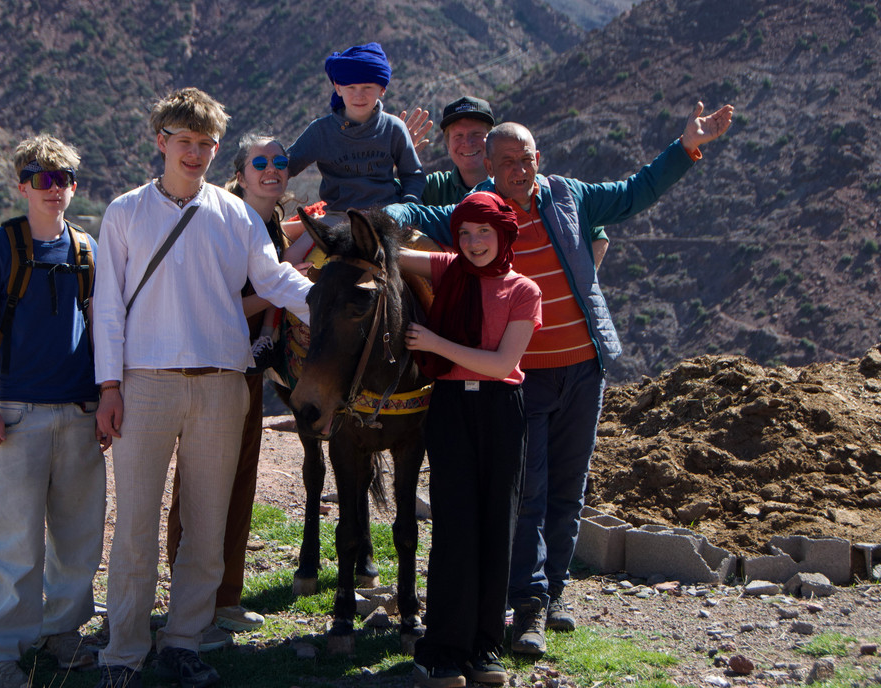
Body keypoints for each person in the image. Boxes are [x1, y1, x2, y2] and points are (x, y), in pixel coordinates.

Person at [385, 101, 734, 656]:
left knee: (567, 493)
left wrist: (688, 146)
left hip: (584, 370)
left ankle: (554, 596)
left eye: (524, 158)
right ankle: (526, 607)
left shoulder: (569, 196)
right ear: (489, 168)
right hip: (521, 379)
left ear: (537, 158)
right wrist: (380, 220)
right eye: (505, 162)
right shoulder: (480, 218)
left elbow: (635, 191)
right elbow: (412, 217)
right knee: (528, 493)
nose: (518, 169)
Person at [91, 89, 313, 688]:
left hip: (221, 382)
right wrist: (108, 385)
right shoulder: (125, 212)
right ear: (161, 141)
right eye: (184, 141)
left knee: (208, 524)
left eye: (205, 144)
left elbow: (273, 278)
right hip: (145, 383)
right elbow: (107, 307)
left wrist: (331, 307)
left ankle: (184, 641)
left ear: (216, 148)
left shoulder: (235, 213)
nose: (194, 153)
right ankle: (124, 651)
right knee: (135, 524)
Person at [0, 135, 106, 688]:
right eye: (42, 178)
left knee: (79, 536)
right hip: (19, 412)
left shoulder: (87, 250)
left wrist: (104, 399)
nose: (55, 189)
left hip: (78, 411)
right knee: (14, 538)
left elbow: (99, 331)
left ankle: (63, 633)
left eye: (64, 178)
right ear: (21, 184)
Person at [399, 192, 542, 688]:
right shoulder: (447, 268)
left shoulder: (524, 290)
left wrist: (435, 343)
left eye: (484, 232)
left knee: (496, 528)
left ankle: (484, 647)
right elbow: (388, 252)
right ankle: (442, 650)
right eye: (464, 232)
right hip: (452, 408)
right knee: (455, 528)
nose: (474, 242)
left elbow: (503, 365)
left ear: (504, 234)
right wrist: (319, 225)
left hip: (501, 409)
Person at [164, 133, 295, 651]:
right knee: (195, 484)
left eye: (280, 162)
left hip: (249, 370)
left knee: (239, 481)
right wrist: (279, 288)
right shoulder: (221, 223)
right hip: (211, 366)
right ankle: (187, 598)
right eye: (260, 162)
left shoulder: (278, 228)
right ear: (240, 174)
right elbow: (214, 304)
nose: (271, 169)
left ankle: (225, 597)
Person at [422, 95, 610, 268]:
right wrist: (400, 155)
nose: (468, 143)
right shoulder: (434, 188)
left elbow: (596, 235)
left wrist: (580, 286)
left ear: (493, 142)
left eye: (476, 134)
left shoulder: (530, 187)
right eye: (458, 136)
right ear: (447, 145)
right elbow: (396, 203)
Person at [284, 42, 424, 263]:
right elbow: (286, 166)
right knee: (291, 258)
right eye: (351, 87)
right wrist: (261, 166)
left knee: (436, 260)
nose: (359, 95)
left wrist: (408, 207)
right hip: (336, 218)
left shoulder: (394, 128)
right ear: (338, 88)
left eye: (367, 87)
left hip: (387, 218)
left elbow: (412, 174)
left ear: (382, 89)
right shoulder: (321, 131)